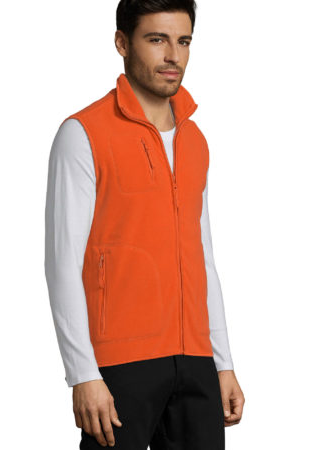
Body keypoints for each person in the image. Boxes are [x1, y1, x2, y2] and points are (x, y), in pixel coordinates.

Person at [44, 1, 245, 448]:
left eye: (183, 41)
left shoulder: (194, 140)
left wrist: (222, 362)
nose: (173, 55)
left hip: (195, 358)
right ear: (122, 43)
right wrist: (82, 372)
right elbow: (62, 262)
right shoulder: (83, 133)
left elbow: (203, 257)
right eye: (157, 39)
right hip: (120, 362)